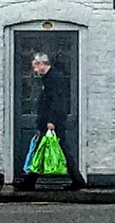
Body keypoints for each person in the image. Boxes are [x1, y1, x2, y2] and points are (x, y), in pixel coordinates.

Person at [17, 52, 86, 191]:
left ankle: (30, 182)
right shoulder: (50, 78)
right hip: (49, 121)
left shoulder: (53, 79)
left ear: (41, 64)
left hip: (53, 122)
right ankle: (31, 181)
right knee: (44, 149)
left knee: (53, 150)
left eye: (35, 67)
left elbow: (56, 101)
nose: (35, 71)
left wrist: (51, 120)